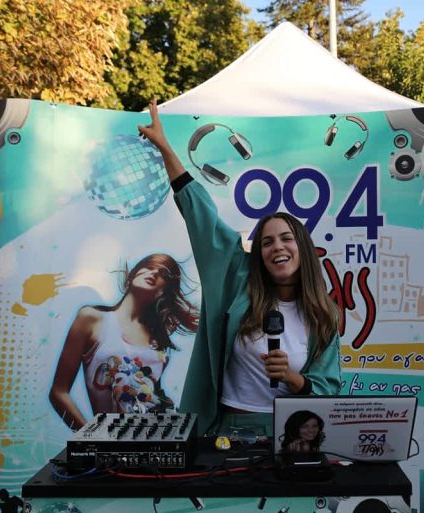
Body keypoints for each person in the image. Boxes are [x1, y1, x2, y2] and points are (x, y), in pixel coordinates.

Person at [138, 99, 342, 436]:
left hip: (291, 435)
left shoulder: (323, 314)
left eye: (286, 239)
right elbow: (202, 218)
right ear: (259, 254)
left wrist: (292, 378)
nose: (277, 247)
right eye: (267, 242)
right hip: (230, 431)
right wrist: (165, 149)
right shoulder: (238, 281)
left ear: (303, 249)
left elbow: (327, 388)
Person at [49, 253, 199, 430]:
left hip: (160, 431)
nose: (154, 273)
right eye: (149, 267)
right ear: (133, 274)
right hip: (113, 437)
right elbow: (58, 392)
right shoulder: (92, 319)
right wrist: (91, 436)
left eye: (163, 274)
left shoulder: (156, 340)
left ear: (164, 291)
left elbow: (149, 394)